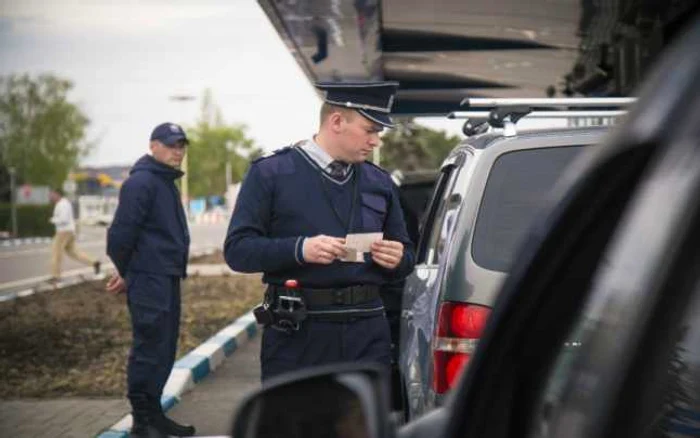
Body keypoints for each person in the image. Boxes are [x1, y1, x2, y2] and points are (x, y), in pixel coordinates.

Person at [224, 81, 415, 381]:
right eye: (370, 130)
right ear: (336, 121)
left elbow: (407, 254)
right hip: (299, 334)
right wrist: (299, 249)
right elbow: (238, 251)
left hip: (367, 333)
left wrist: (398, 258)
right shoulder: (271, 173)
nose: (376, 141)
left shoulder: (380, 182)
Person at [105, 122, 195, 438]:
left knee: (164, 347)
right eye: (171, 145)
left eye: (182, 145)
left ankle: (154, 414)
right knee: (149, 347)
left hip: (164, 276)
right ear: (153, 145)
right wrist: (129, 272)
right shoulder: (141, 183)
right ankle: (142, 422)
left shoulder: (163, 182)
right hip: (150, 279)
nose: (178, 151)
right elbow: (119, 236)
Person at [48, 187, 100, 281]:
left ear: (57, 194)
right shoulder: (62, 203)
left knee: (56, 252)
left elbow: (63, 219)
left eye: (52, 194)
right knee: (74, 253)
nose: (50, 196)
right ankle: (94, 262)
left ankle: (55, 276)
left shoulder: (63, 204)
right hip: (68, 231)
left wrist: (53, 220)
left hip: (64, 231)